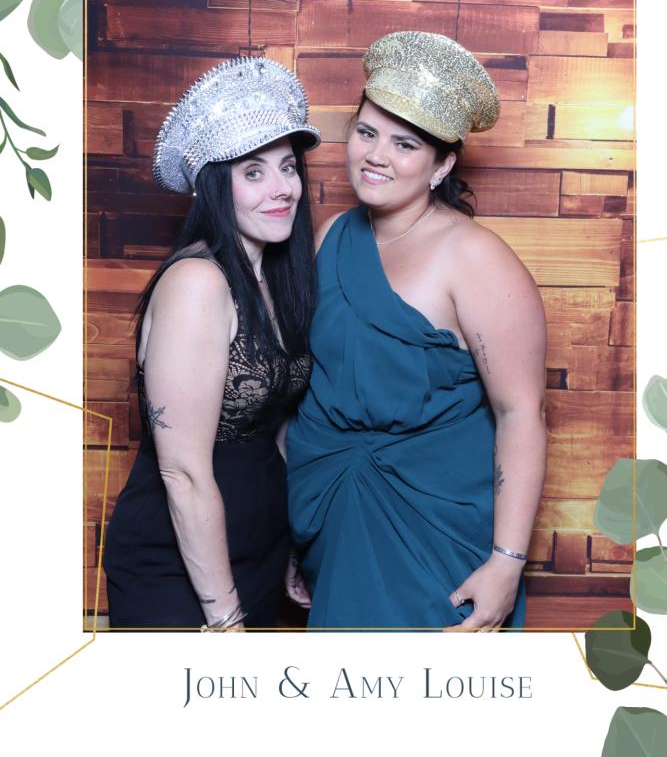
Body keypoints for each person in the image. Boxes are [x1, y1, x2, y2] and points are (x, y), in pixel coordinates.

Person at [287, 31, 547, 631]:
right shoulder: (332, 238)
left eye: (404, 144)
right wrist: (297, 535)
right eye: (366, 133)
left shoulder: (475, 258)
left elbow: (521, 413)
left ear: (442, 165)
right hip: (330, 517)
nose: (376, 156)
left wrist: (507, 564)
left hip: (436, 538)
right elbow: (314, 392)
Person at [103, 56, 320, 630]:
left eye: (288, 167)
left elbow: (275, 429)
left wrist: (294, 544)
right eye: (254, 172)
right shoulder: (197, 282)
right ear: (214, 188)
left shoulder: (277, 279)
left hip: (257, 552)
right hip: (180, 572)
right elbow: (183, 472)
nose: (282, 189)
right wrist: (225, 620)